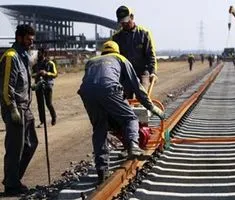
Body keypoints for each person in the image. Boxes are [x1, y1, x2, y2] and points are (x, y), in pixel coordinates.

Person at [77, 41, 165, 184]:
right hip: (109, 89)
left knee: (100, 128)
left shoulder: (91, 61)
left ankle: (102, 170)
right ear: (117, 51)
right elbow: (137, 87)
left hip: (86, 93)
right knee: (130, 119)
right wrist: (151, 107)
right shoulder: (121, 59)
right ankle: (133, 146)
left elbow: (94, 82)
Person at [0, 24, 38, 196]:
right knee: (16, 148)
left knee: (31, 144)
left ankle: (12, 178)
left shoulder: (23, 56)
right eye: (29, 40)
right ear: (19, 38)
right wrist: (13, 109)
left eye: (32, 40)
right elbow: (6, 88)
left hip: (26, 107)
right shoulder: (10, 56)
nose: (31, 43)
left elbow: (23, 82)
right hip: (15, 108)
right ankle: (11, 185)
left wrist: (36, 86)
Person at [112, 5, 157, 99]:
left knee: (143, 98)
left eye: (126, 21)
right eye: (121, 22)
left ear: (132, 17)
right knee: (125, 102)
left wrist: (153, 72)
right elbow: (113, 58)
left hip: (142, 73)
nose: (124, 24)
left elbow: (150, 55)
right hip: (125, 75)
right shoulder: (116, 38)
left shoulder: (144, 34)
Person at [32, 48, 57, 127]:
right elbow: (32, 74)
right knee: (40, 104)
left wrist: (46, 73)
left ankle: (54, 117)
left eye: (40, 53)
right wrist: (37, 74)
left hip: (48, 85)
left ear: (44, 54)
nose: (39, 54)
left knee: (48, 103)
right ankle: (42, 121)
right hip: (38, 85)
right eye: (38, 53)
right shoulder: (35, 64)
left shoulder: (50, 63)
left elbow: (55, 74)